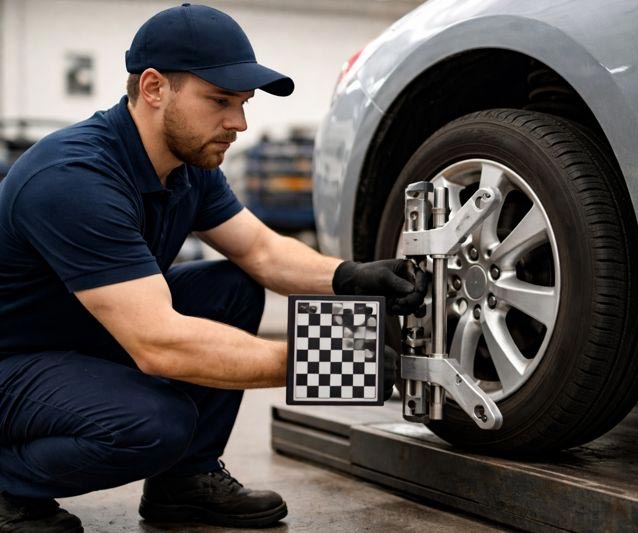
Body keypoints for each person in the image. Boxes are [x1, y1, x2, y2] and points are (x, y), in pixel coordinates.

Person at [0, 4, 426, 531]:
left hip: (80, 335)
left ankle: (184, 484)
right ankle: (10, 487)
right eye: (220, 101)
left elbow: (262, 253)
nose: (239, 124)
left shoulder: (187, 162)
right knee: (154, 424)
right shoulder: (74, 178)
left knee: (234, 286)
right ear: (154, 88)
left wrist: (350, 276)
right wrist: (330, 361)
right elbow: (159, 345)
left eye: (243, 103)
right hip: (15, 363)